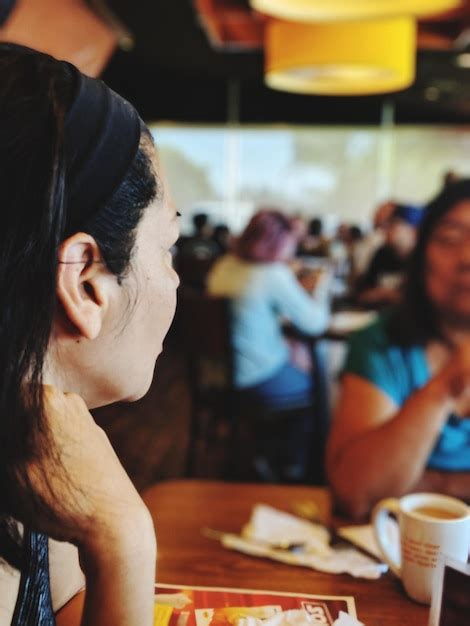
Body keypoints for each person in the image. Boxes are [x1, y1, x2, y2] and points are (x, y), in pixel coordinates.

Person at [0, 44, 180, 625]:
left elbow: (67, 606)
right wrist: (122, 538)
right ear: (84, 280)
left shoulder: (34, 437)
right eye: (168, 248)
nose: (175, 281)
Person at [327, 180, 470, 519]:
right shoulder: (380, 344)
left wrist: (420, 483)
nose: (467, 257)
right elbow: (357, 494)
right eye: (450, 239)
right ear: (421, 256)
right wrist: (448, 383)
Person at [207, 209, 330, 480]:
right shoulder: (271, 273)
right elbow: (316, 323)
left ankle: (261, 447)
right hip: (256, 379)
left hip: (217, 376)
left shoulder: (224, 265)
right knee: (322, 386)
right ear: (276, 243)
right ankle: (295, 466)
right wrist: (321, 289)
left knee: (296, 356)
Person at [355, 203, 423, 307]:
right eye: (383, 223)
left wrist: (387, 295)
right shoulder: (382, 253)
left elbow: (420, 304)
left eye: (392, 223)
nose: (384, 228)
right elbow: (362, 295)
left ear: (413, 230)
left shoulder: (423, 261)